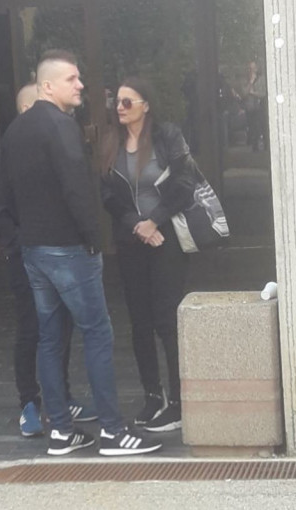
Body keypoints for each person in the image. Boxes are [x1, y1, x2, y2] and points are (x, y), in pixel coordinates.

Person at [0, 49, 161, 456]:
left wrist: (20, 240)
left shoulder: (15, 131)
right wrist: (94, 238)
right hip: (69, 249)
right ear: (47, 85)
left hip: (33, 250)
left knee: (50, 338)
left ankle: (61, 431)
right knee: (97, 333)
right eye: (72, 79)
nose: (81, 85)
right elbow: (77, 188)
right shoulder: (61, 126)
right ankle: (112, 432)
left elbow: (5, 192)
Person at [0, 82, 96, 437]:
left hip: (57, 250)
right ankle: (29, 403)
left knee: (60, 327)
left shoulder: (53, 148)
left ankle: (60, 397)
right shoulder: (8, 152)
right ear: (25, 111)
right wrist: (19, 246)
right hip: (27, 255)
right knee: (32, 328)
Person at [100, 77, 197, 432]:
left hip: (166, 237)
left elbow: (185, 184)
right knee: (139, 321)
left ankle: (180, 401)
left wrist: (154, 221)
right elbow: (107, 195)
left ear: (146, 105)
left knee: (167, 318)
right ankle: (153, 395)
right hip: (131, 241)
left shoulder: (167, 136)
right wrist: (135, 224)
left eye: (128, 101)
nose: (120, 107)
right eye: (117, 101)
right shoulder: (111, 142)